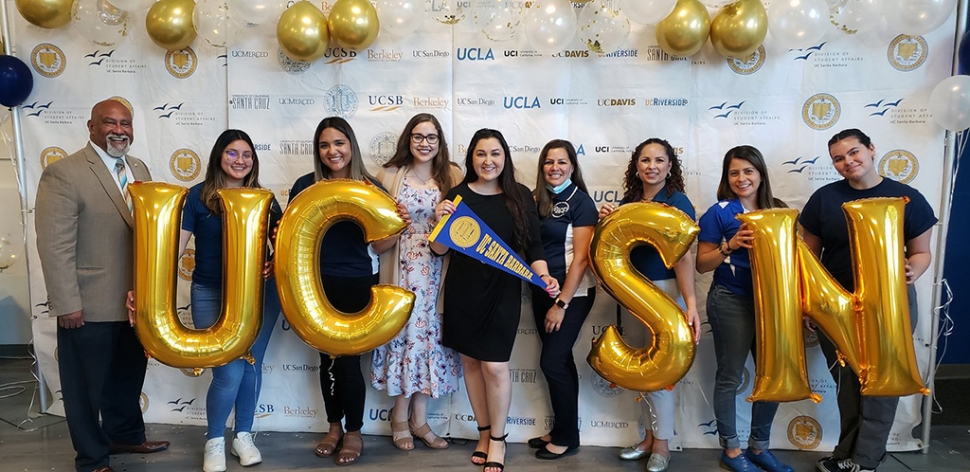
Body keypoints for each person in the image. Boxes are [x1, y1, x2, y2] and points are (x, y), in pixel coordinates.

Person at [35, 99, 169, 472]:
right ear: (91, 127)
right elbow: (54, 243)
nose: (119, 130)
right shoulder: (65, 172)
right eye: (109, 122)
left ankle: (125, 434)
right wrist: (67, 303)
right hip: (87, 303)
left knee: (126, 376)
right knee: (84, 389)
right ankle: (92, 458)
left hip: (134, 302)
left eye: (125, 123)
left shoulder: (138, 168)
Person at [801, 129, 936, 472]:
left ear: (872, 150)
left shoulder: (907, 197)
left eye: (854, 152)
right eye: (838, 158)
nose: (848, 161)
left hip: (891, 302)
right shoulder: (824, 199)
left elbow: (921, 253)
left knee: (882, 382)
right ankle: (845, 453)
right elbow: (809, 257)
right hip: (838, 302)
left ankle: (865, 459)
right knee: (847, 382)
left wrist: (912, 271)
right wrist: (809, 302)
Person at [432, 129, 560, 472]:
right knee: (471, 365)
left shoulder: (520, 195)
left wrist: (543, 274)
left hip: (503, 291)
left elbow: (533, 245)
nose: (488, 161)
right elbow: (438, 249)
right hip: (462, 289)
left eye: (495, 154)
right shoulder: (457, 194)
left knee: (494, 366)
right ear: (471, 158)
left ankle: (499, 441)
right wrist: (440, 219)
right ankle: (484, 433)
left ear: (505, 158)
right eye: (481, 154)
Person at [288, 116, 407, 466]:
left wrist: (398, 228)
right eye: (324, 145)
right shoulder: (304, 186)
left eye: (338, 143)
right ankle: (333, 427)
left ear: (350, 145)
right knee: (326, 360)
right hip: (312, 283)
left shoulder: (370, 187)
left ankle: (353, 432)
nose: (332, 151)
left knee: (349, 362)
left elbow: (382, 245)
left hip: (356, 280)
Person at [179, 130, 282, 472]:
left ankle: (243, 435)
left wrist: (274, 262)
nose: (240, 160)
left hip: (259, 295)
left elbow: (285, 248)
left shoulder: (266, 199)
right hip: (211, 291)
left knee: (251, 365)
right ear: (218, 157)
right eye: (232, 153)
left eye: (247, 154)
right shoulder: (196, 198)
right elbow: (172, 252)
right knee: (227, 371)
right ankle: (214, 440)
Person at [598, 138, 701, 472]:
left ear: (671, 166)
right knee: (640, 370)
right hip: (631, 295)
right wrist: (605, 224)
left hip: (663, 292)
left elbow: (684, 257)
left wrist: (690, 304)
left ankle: (663, 445)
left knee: (660, 374)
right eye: (645, 160)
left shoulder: (677, 201)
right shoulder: (629, 201)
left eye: (659, 160)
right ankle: (646, 438)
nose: (652, 166)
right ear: (636, 166)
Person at [695, 146, 794, 472]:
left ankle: (759, 447)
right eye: (734, 172)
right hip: (731, 302)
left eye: (748, 171)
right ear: (727, 177)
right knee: (730, 377)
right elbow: (701, 264)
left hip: (774, 306)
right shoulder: (719, 213)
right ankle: (732, 450)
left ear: (761, 174)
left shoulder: (778, 210)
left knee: (773, 377)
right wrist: (730, 245)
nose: (742, 178)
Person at [370, 114, 463, 451]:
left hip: (437, 272)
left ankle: (420, 420)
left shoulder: (452, 175)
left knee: (431, 342)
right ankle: (399, 418)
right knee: (402, 339)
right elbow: (377, 231)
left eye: (432, 137)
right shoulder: (390, 175)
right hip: (401, 269)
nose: (425, 143)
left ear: (439, 142)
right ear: (408, 140)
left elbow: (462, 230)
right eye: (418, 136)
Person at [525, 140, 598, 460]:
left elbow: (581, 260)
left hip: (573, 295)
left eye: (562, 162)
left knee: (552, 362)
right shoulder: (535, 199)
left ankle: (567, 436)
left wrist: (562, 304)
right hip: (542, 291)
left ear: (572, 166)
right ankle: (564, 429)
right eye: (549, 162)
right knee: (561, 362)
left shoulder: (581, 202)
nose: (555, 168)